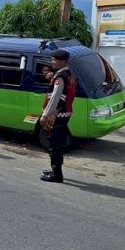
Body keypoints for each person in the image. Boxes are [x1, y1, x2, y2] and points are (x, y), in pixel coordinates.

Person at [39, 49, 76, 183]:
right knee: (57, 143)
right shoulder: (68, 74)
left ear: (61, 61)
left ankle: (57, 174)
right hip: (65, 112)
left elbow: (55, 98)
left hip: (57, 114)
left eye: (54, 60)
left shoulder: (60, 77)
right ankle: (55, 170)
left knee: (54, 144)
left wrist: (45, 115)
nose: (52, 62)